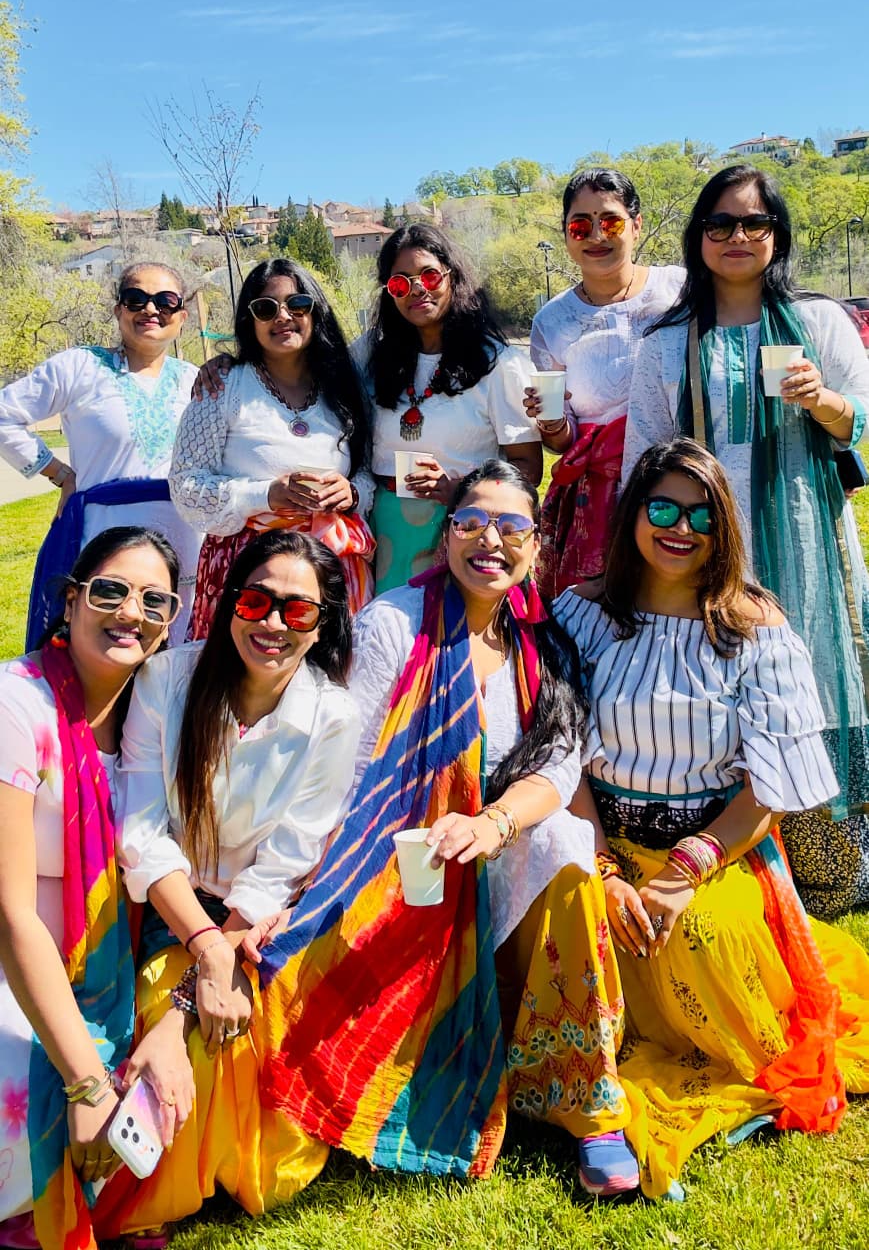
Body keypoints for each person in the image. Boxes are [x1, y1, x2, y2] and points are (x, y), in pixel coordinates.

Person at [252, 461, 640, 1199]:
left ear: (536, 545)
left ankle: (589, 1105)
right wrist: (296, 888)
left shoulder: (542, 640)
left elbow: (558, 768)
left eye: (511, 527)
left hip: (491, 853)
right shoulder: (395, 624)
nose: (490, 540)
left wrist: (493, 822)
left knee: (564, 841)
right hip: (398, 862)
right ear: (447, 531)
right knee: (283, 994)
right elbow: (343, 770)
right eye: (471, 522)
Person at [554, 439, 869, 1199]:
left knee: (705, 932)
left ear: (723, 526)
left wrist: (682, 873)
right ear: (632, 513)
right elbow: (559, 760)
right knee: (574, 917)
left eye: (700, 515)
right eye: (661, 508)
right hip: (596, 836)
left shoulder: (755, 628)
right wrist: (604, 869)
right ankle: (584, 1079)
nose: (679, 528)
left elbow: (770, 785)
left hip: (716, 847)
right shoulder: (581, 612)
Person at [93, 529, 361, 1240]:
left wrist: (212, 973)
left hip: (262, 923)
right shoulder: (167, 681)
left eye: (297, 611)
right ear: (229, 603)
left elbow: (286, 861)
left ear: (323, 624)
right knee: (160, 1013)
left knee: (221, 1032)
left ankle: (175, 1176)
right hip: (166, 904)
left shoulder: (332, 716)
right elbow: (142, 835)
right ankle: (148, 1190)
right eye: (255, 601)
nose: (272, 623)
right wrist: (207, 953)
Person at [623, 164, 869, 917]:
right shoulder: (666, 344)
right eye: (720, 223)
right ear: (697, 237)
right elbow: (643, 460)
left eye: (754, 223)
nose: (737, 236)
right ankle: (732, 858)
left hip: (801, 538)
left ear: (777, 236)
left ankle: (828, 869)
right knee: (719, 688)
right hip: (701, 544)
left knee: (812, 678)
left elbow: (861, 421)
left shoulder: (820, 323)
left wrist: (823, 402)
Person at [0, 526, 191, 1250]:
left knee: (181, 1059)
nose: (131, 613)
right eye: (110, 591)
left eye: (154, 600)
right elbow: (11, 912)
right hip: (17, 956)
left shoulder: (160, 712)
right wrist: (85, 1080)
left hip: (117, 955)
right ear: (71, 599)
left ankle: (115, 1199)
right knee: (24, 1072)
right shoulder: (17, 705)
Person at [0, 262, 202, 648]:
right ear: (118, 310)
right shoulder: (81, 367)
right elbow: (4, 414)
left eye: (165, 301)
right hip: (103, 537)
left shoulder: (198, 381)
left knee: (175, 653)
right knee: (105, 648)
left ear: (182, 316)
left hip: (185, 543)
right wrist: (58, 472)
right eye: (135, 298)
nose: (150, 309)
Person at [170, 257, 375, 638]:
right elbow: (185, 485)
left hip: (331, 569)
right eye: (266, 308)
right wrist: (265, 495)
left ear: (316, 311)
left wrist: (352, 492)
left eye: (297, 304)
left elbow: (365, 470)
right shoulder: (223, 387)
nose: (283, 316)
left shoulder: (345, 387)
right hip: (247, 573)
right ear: (250, 321)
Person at [356, 224, 541, 593]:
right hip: (387, 533)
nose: (417, 290)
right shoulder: (371, 356)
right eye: (400, 284)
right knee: (389, 626)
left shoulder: (498, 363)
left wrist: (459, 489)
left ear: (452, 277)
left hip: (467, 531)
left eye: (429, 276)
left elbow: (529, 468)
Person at [525, 168, 683, 595]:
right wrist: (553, 424)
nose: (596, 236)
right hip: (596, 504)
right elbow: (563, 440)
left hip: (676, 483)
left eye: (610, 222)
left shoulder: (679, 291)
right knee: (598, 616)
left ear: (636, 225)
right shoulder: (551, 322)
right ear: (566, 234)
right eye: (581, 226)